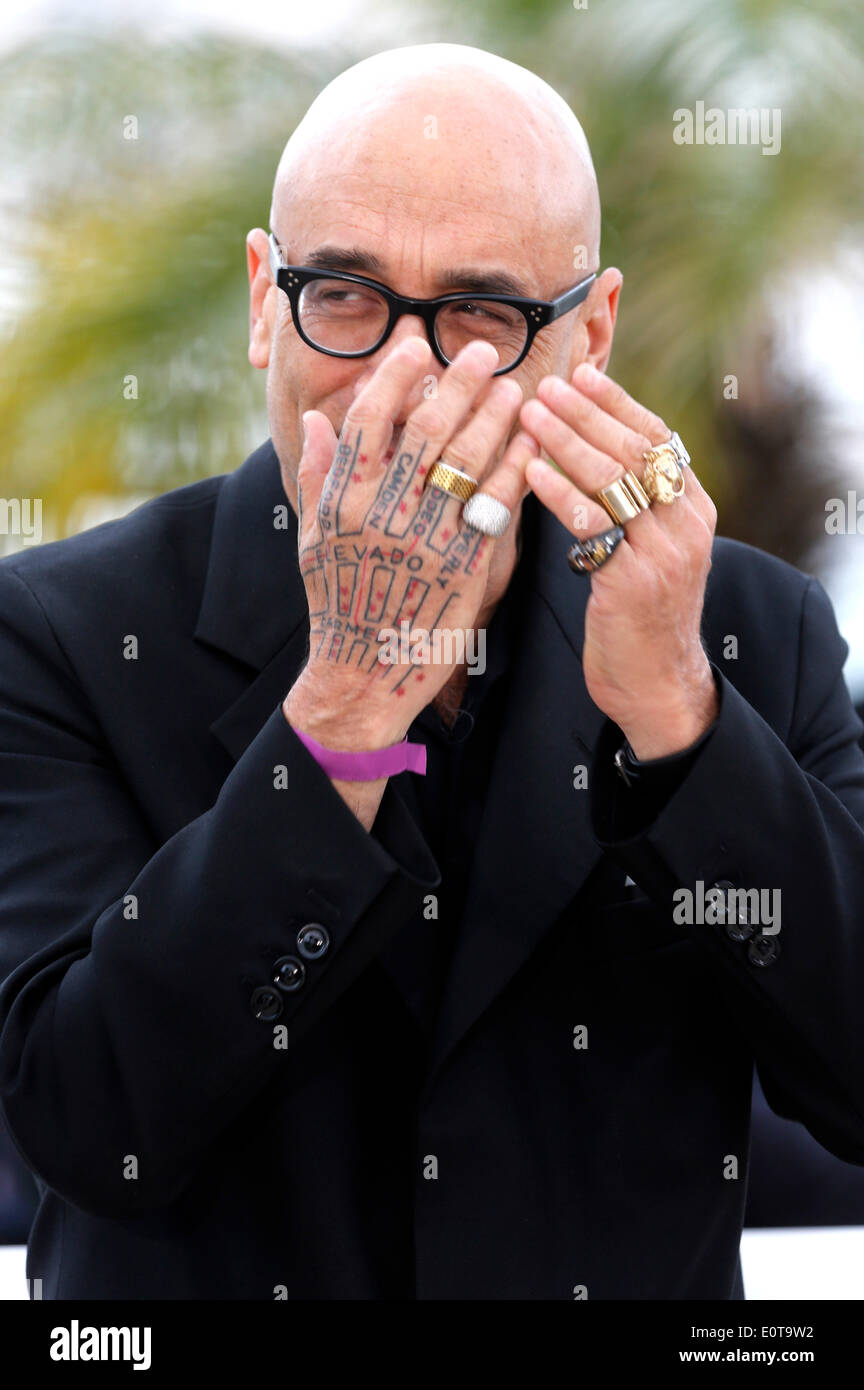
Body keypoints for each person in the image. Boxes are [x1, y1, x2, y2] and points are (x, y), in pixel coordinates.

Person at [1, 42, 863, 1301]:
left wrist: (683, 722)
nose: (401, 376)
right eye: (343, 294)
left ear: (591, 335)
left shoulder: (747, 628)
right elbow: (89, 1126)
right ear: (262, 296)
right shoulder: (60, 633)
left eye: (482, 315)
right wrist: (346, 704)